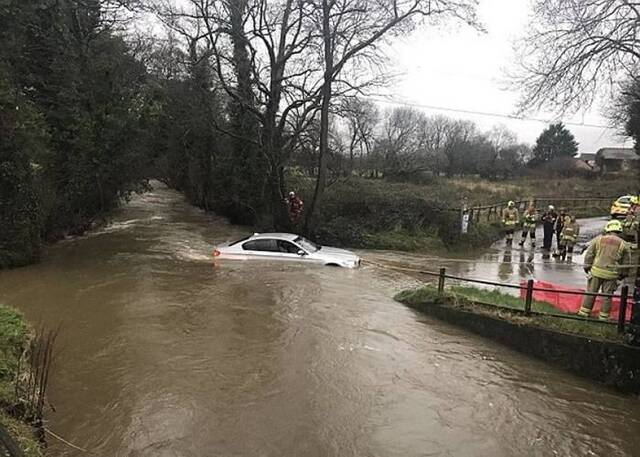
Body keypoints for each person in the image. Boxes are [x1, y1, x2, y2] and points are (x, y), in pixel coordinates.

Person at [577, 219, 631, 320]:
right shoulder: (624, 244)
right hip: (611, 274)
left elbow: (589, 255)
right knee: (607, 297)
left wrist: (587, 267)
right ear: (619, 230)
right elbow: (626, 263)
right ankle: (603, 317)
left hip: (596, 271)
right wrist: (622, 275)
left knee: (591, 293)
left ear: (608, 228)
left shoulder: (598, 240)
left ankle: (584, 314)